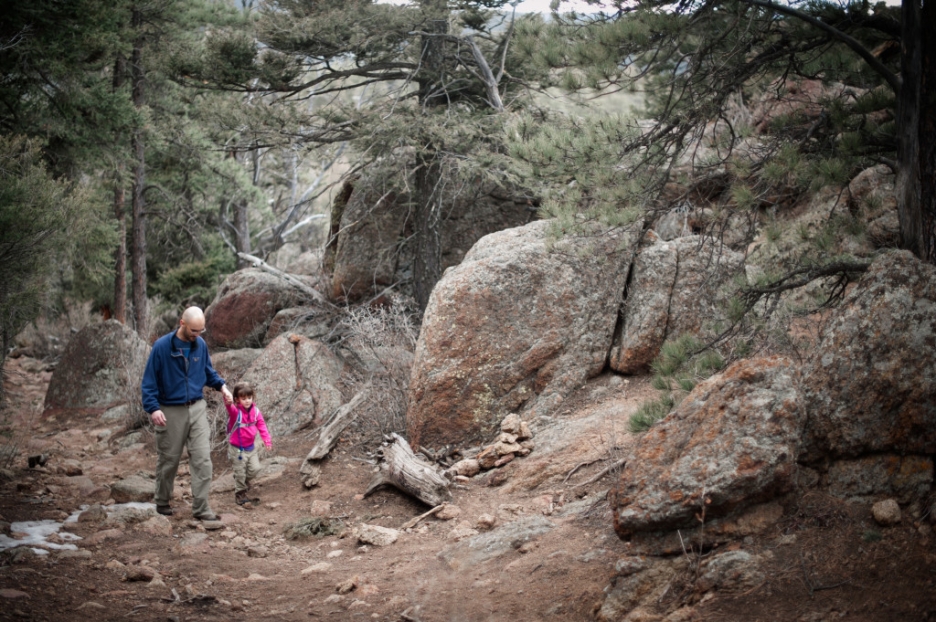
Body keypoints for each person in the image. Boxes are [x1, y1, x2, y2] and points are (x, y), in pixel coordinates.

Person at [141, 306, 232, 521]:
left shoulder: (199, 345)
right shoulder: (161, 347)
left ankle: (201, 508)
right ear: (182, 324)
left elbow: (208, 372)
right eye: (194, 331)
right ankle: (162, 501)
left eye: (201, 331)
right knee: (169, 460)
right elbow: (149, 382)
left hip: (197, 407)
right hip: (170, 410)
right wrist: (153, 408)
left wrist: (222, 387)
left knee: (202, 459)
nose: (197, 335)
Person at [225, 383, 272, 508]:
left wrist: (267, 440)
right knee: (240, 472)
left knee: (255, 469)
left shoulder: (256, 412)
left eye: (249, 398)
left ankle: (242, 480)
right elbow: (229, 407)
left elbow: (262, 426)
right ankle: (240, 494)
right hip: (237, 448)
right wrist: (227, 399)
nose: (247, 401)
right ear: (237, 399)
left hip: (250, 447)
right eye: (244, 398)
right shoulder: (236, 412)